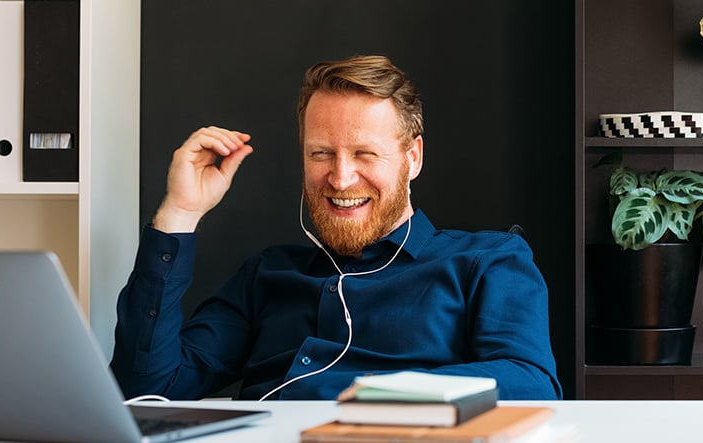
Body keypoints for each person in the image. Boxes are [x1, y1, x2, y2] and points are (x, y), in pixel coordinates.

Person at [110, 55, 561, 401]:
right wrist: (180, 213)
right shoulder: (266, 275)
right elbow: (147, 388)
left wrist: (352, 393)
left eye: (365, 154)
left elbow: (529, 384)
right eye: (321, 154)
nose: (341, 178)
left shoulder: (488, 261)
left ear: (413, 158)